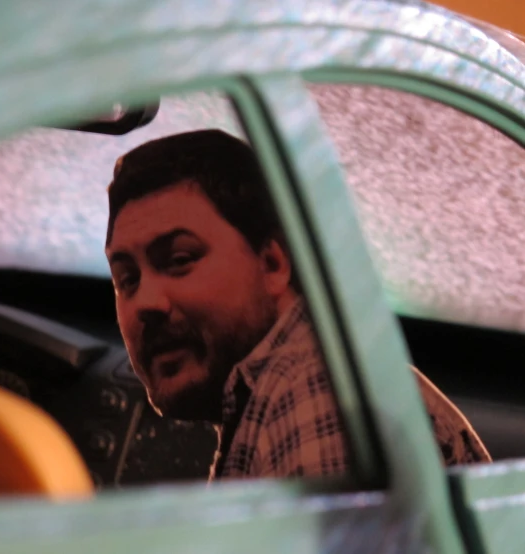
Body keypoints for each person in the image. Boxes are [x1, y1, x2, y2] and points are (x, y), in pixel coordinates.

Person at [104, 129, 490, 481]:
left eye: (179, 260)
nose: (146, 304)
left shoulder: (310, 388)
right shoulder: (292, 380)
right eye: (127, 280)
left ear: (273, 263)